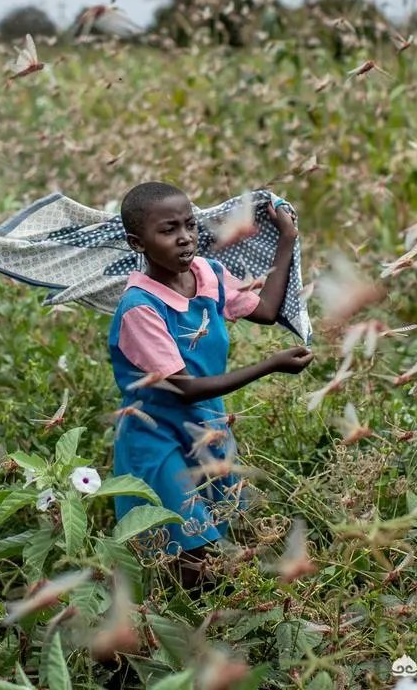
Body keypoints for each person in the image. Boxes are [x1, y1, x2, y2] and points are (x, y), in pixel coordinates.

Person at [108, 181, 314, 591]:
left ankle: (211, 628)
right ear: (137, 242)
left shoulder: (208, 275)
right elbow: (184, 387)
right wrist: (268, 365)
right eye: (168, 230)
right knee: (190, 554)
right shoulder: (140, 308)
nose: (185, 238)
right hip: (158, 439)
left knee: (225, 533)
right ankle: (179, 636)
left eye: (189, 225)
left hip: (207, 429)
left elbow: (268, 310)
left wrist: (287, 239)